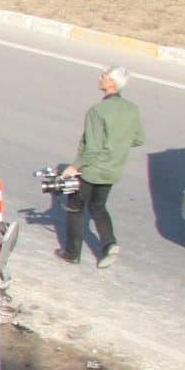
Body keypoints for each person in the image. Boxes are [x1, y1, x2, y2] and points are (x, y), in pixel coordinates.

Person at [57, 64, 145, 269]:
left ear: (111, 83)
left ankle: (72, 253)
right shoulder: (132, 109)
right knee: (98, 207)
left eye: (104, 75)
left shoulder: (97, 111)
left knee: (75, 207)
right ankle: (109, 243)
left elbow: (93, 147)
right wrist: (117, 145)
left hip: (92, 169)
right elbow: (139, 139)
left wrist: (74, 167)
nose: (100, 77)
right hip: (113, 169)